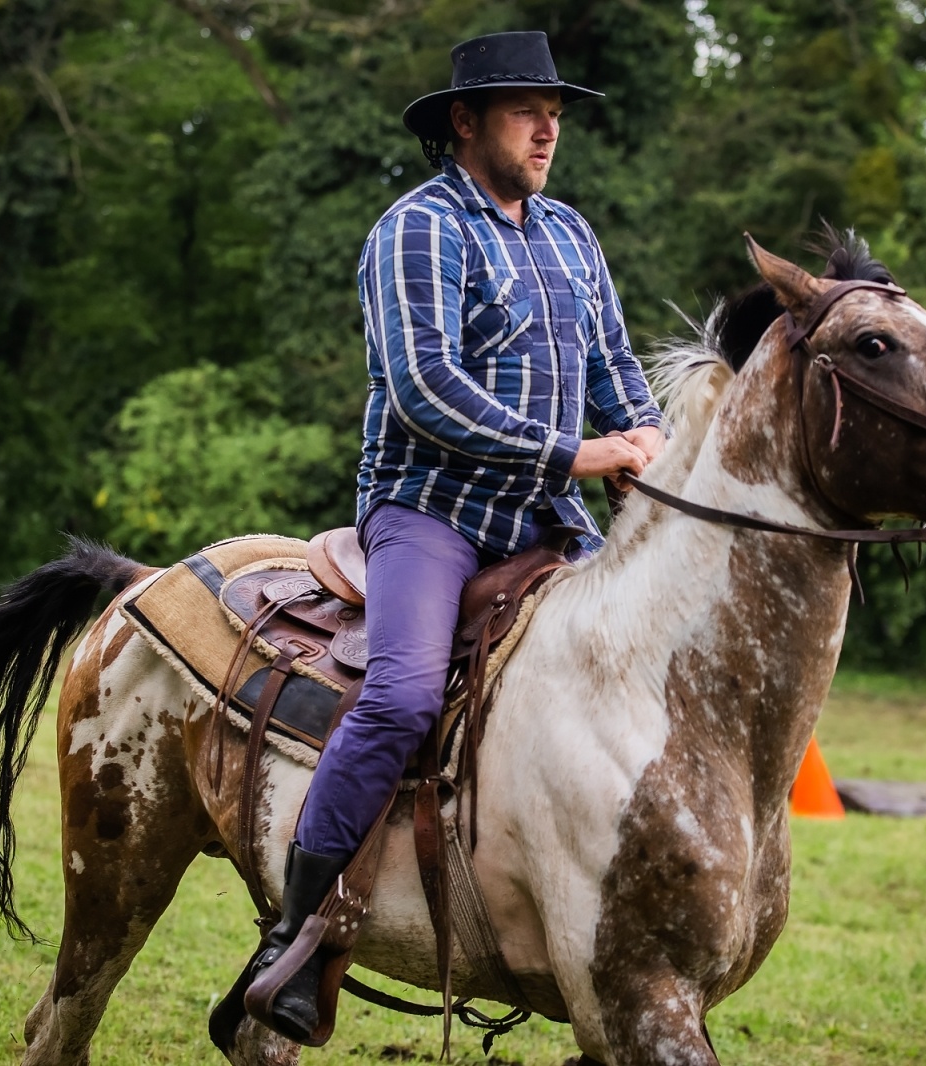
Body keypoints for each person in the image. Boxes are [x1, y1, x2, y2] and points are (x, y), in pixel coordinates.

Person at [242, 31, 665, 1043]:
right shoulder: (416, 230)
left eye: (553, 108)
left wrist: (652, 454)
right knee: (400, 695)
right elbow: (427, 391)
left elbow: (617, 373)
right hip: (430, 511)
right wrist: (580, 454)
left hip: (548, 526)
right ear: (465, 123)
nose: (547, 126)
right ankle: (295, 936)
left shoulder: (572, 235)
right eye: (526, 108)